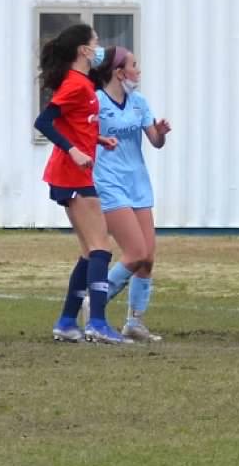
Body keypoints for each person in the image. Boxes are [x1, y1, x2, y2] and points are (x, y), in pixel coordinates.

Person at [35, 24, 127, 344]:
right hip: (72, 174)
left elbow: (72, 123)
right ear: (83, 51)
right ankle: (98, 324)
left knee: (90, 251)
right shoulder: (75, 85)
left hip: (74, 174)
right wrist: (73, 150)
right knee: (101, 247)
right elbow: (43, 122)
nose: (99, 48)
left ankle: (66, 322)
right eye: (95, 43)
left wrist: (97, 138)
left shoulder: (83, 84)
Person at [95, 46, 172, 342]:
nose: (138, 71)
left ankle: (135, 323)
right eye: (134, 65)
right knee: (135, 252)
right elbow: (81, 132)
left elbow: (155, 142)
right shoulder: (97, 101)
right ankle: (95, 303)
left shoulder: (139, 102)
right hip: (109, 182)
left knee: (147, 258)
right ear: (118, 72)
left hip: (138, 183)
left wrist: (161, 132)